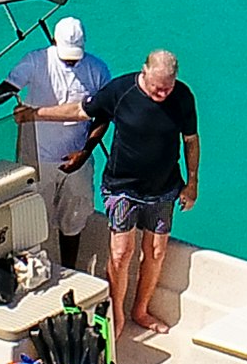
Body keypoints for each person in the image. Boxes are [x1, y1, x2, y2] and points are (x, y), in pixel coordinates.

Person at [85, 47, 201, 337]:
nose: (162, 94)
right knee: (121, 252)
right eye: (156, 87)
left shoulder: (183, 97)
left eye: (167, 88)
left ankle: (141, 310)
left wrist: (192, 182)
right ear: (144, 71)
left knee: (156, 251)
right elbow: (85, 111)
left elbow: (191, 140)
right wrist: (38, 114)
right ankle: (117, 313)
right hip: (122, 186)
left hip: (163, 189)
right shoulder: (122, 90)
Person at [5, 15, 108, 276]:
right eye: (66, 55)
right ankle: (30, 273)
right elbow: (11, 85)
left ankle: (68, 272)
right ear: (53, 41)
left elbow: (104, 116)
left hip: (77, 161)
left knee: (73, 221)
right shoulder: (35, 60)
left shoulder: (98, 69)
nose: (72, 60)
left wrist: (85, 152)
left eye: (76, 55)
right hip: (36, 159)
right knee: (30, 222)